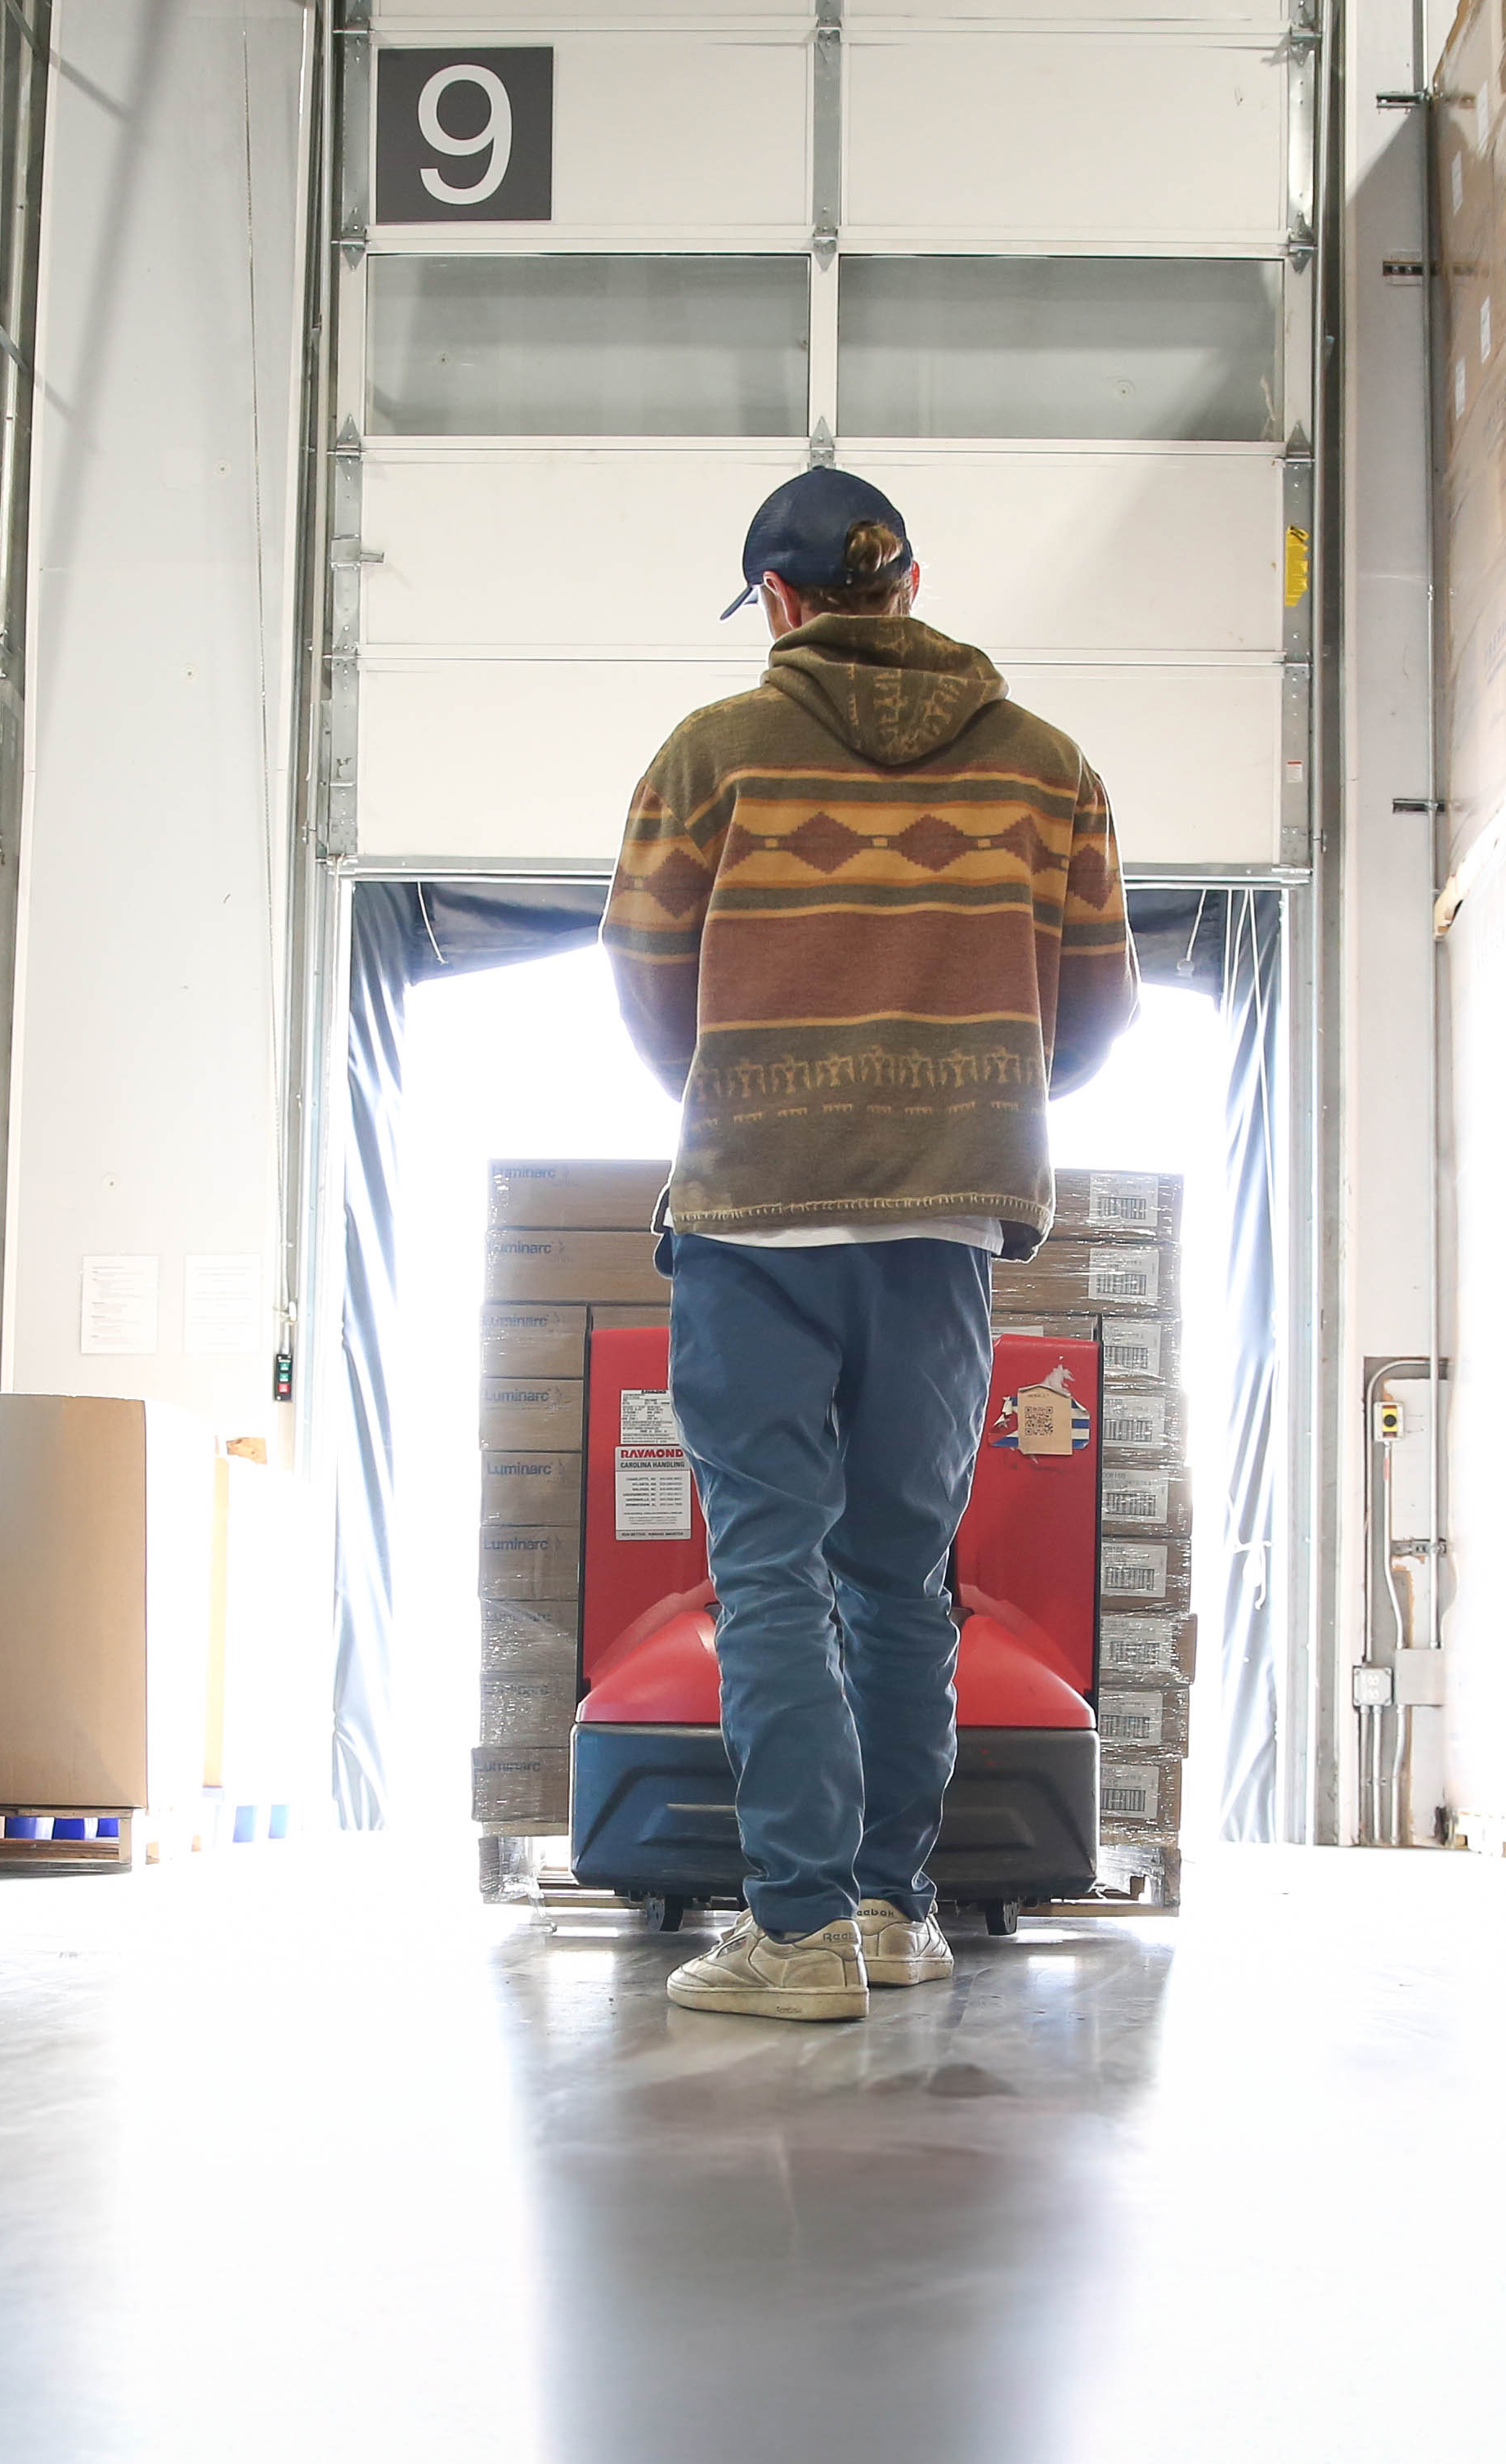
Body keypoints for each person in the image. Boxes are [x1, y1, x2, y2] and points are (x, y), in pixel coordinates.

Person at [602, 467, 1140, 2021]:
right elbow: (1094, 1006)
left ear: (777, 604)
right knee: (902, 1575)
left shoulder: (712, 756)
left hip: (755, 1212)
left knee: (767, 1566)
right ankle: (897, 1910)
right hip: (948, 1219)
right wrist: (964, 1101)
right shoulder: (1047, 769)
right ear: (909, 584)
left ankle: (796, 1931)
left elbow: (644, 980)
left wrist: (747, 1094)